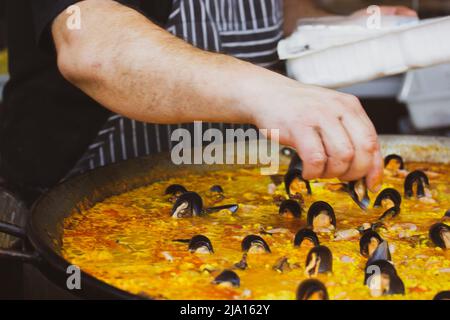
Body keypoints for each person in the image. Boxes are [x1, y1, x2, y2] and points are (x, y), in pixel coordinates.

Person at [0, 0, 416, 203]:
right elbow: (91, 48)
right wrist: (268, 91)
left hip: (238, 190)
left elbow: (272, 9)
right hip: (84, 201)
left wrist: (332, 27)